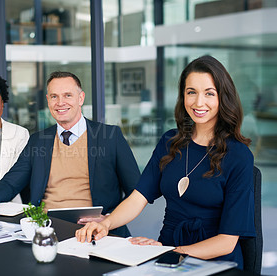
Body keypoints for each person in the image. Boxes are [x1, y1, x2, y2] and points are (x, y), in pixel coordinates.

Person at [75, 55, 255, 269]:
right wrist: (105, 223)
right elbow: (138, 198)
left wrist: (168, 252)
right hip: (167, 256)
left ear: (223, 97)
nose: (199, 102)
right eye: (191, 92)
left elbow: (226, 242)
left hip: (214, 262)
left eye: (209, 93)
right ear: (183, 96)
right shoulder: (170, 142)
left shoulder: (238, 155)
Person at [0, 71, 140, 237]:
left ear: (80, 98)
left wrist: (109, 220)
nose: (60, 103)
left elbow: (137, 191)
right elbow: (12, 181)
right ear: (48, 100)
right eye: (54, 96)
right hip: (45, 230)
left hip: (96, 231)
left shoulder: (110, 137)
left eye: (67, 95)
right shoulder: (38, 140)